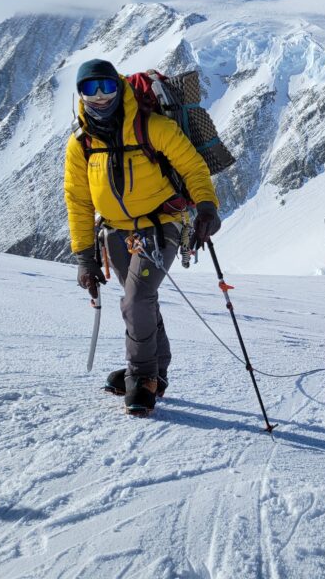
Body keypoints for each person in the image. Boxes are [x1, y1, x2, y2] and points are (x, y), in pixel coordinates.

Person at [64, 58, 221, 416]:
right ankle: (157, 370)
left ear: (120, 88)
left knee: (136, 299)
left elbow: (192, 166)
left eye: (107, 87)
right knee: (141, 300)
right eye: (90, 89)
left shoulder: (153, 127)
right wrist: (85, 257)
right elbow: (78, 200)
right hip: (115, 232)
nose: (100, 96)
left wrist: (207, 207)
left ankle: (143, 376)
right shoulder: (81, 143)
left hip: (162, 223)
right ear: (80, 95)